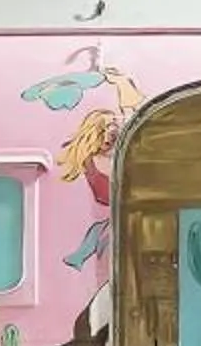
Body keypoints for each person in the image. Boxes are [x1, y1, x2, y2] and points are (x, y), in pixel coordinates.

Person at [49, 64, 140, 269]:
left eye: (113, 126)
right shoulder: (101, 160)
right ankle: (81, 256)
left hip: (117, 209)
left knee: (105, 230)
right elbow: (133, 111)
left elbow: (132, 111)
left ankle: (80, 256)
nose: (113, 130)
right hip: (118, 208)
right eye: (107, 127)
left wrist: (121, 84)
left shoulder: (102, 157)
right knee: (107, 231)